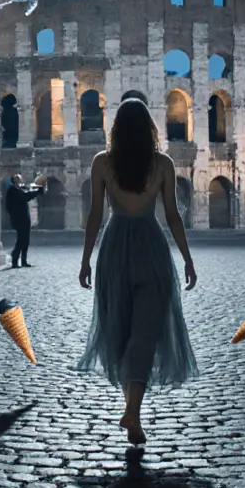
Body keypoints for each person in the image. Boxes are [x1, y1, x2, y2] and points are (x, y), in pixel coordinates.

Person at [76, 98, 198, 446]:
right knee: (145, 331)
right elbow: (172, 215)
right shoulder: (162, 164)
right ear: (149, 129)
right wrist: (187, 258)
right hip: (150, 248)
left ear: (116, 129)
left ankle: (132, 410)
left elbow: (96, 216)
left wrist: (86, 259)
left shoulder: (102, 163)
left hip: (115, 249)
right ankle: (133, 410)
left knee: (121, 326)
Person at [5, 174, 45, 268]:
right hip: (18, 218)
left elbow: (27, 195)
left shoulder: (19, 189)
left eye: (20, 179)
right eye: (17, 179)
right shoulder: (12, 190)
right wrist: (36, 192)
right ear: (13, 180)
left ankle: (24, 260)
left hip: (24, 217)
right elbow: (24, 197)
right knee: (21, 239)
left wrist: (35, 191)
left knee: (25, 240)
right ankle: (15, 260)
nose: (19, 180)